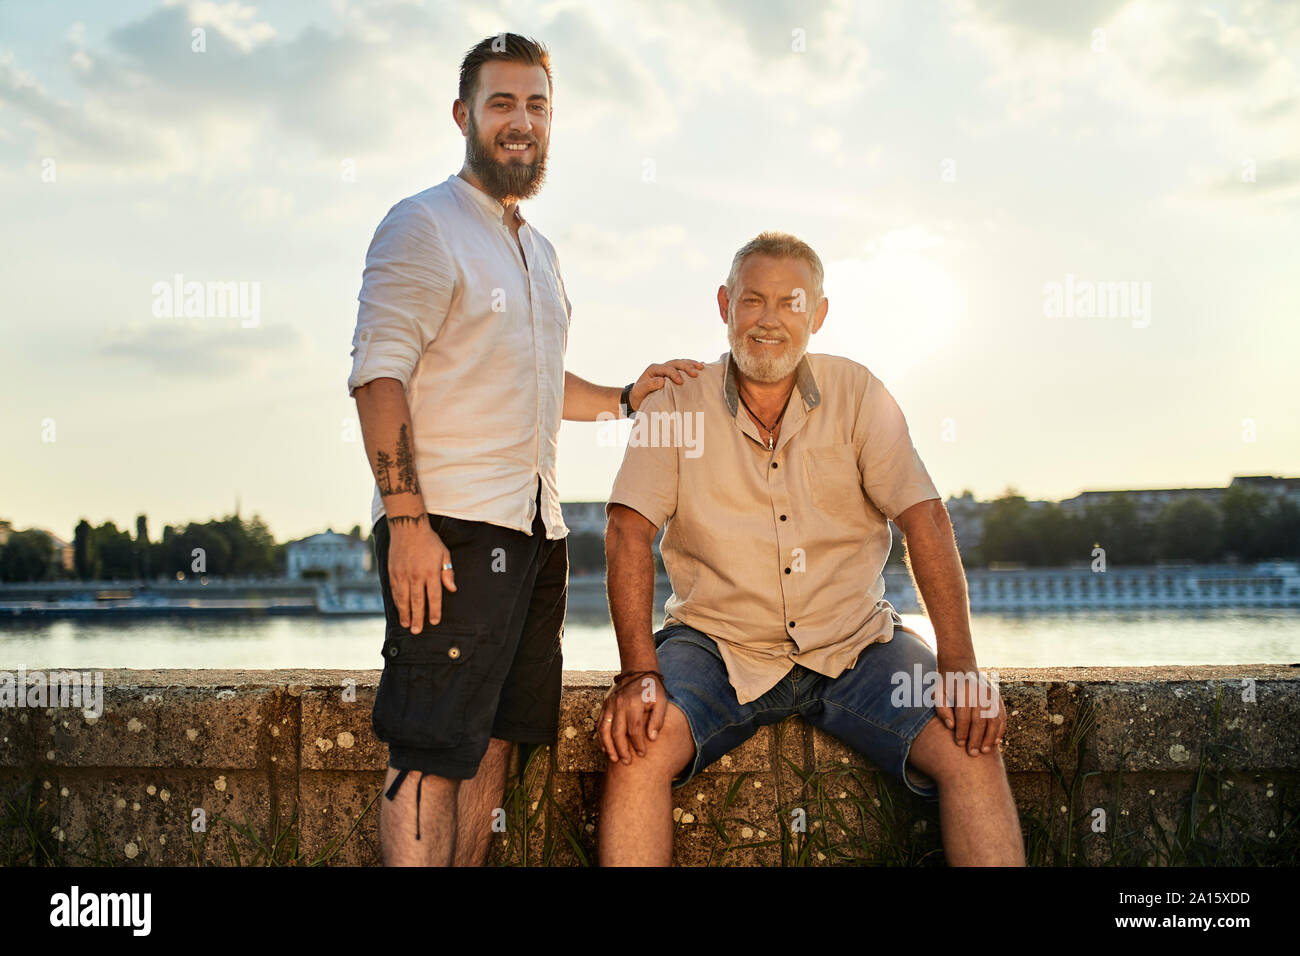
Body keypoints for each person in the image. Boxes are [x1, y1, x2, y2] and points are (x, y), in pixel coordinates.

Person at [348, 33, 703, 867]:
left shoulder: (536, 251)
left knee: (495, 745)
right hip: (449, 532)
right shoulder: (421, 225)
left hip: (535, 536)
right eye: (502, 103)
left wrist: (623, 396)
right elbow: (378, 378)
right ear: (463, 114)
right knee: (430, 753)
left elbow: (540, 387)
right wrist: (406, 522)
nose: (521, 121)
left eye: (537, 105)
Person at [598, 231, 1025, 866]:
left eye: (791, 303)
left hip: (854, 644)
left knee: (970, 743)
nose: (769, 320)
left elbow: (927, 520)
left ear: (817, 314)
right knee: (638, 743)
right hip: (718, 645)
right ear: (724, 305)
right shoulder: (674, 403)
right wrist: (638, 673)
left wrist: (959, 663)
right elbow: (628, 532)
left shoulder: (859, 395)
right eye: (752, 301)